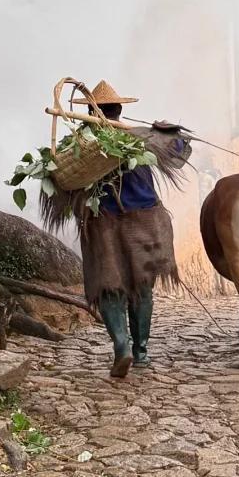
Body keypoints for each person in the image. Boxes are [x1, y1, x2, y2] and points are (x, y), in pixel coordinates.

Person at [44, 78, 191, 379]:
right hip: (147, 223)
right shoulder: (139, 136)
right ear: (119, 110)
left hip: (104, 225)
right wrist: (170, 131)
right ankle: (141, 352)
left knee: (109, 287)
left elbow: (59, 180)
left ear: (92, 112)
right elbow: (179, 153)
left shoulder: (78, 147)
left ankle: (121, 346)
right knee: (142, 287)